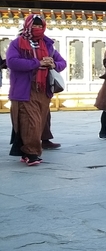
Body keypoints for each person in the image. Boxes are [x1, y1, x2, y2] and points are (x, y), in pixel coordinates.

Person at [6, 14, 67, 166]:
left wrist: (52, 64)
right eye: (35, 26)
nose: (38, 29)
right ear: (28, 26)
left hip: (43, 89)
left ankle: (26, 151)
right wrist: (37, 63)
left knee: (38, 123)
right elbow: (12, 62)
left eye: (40, 26)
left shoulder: (48, 45)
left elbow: (62, 62)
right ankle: (32, 154)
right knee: (30, 121)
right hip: (24, 89)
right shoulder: (17, 44)